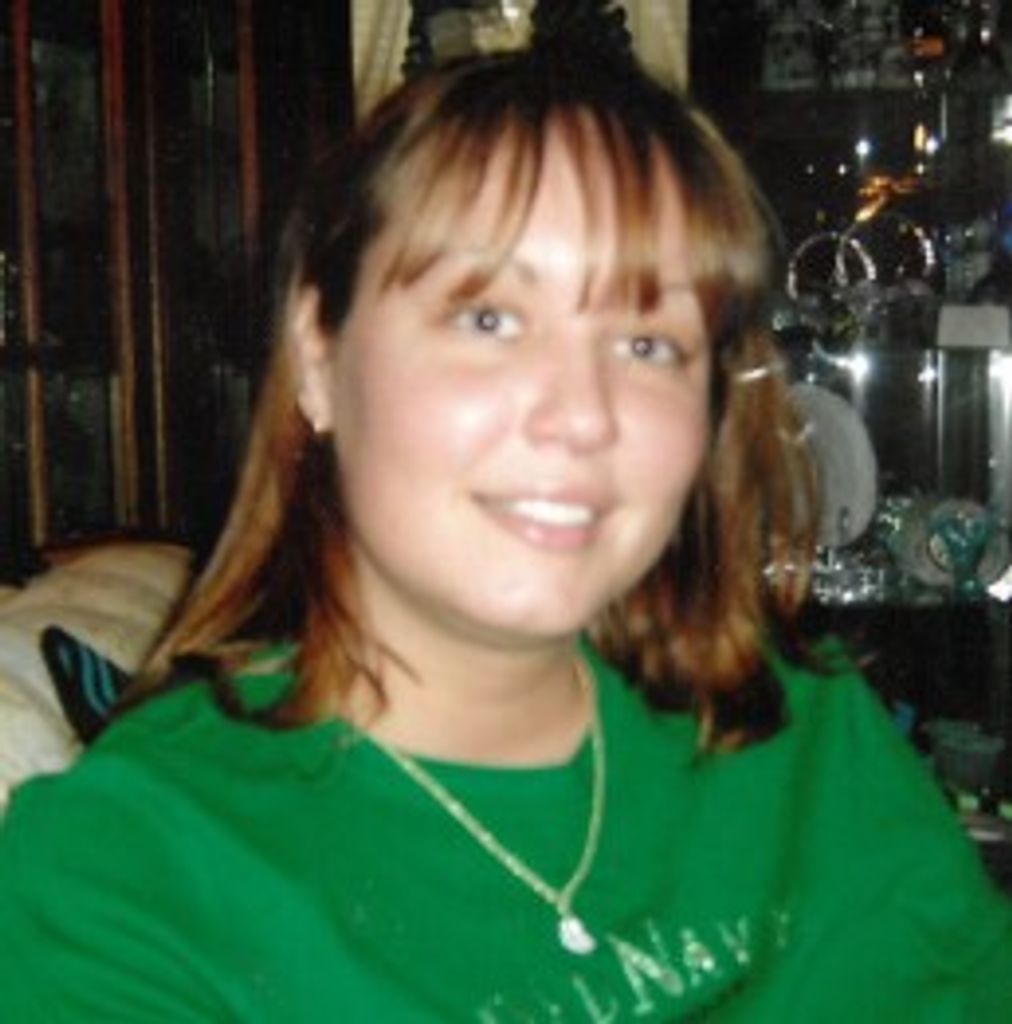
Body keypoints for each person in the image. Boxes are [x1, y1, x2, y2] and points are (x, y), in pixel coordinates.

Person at [2, 31, 1011, 1023]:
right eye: (487, 319)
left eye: (648, 343)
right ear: (318, 359)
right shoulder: (125, 873)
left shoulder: (805, 744)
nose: (581, 415)